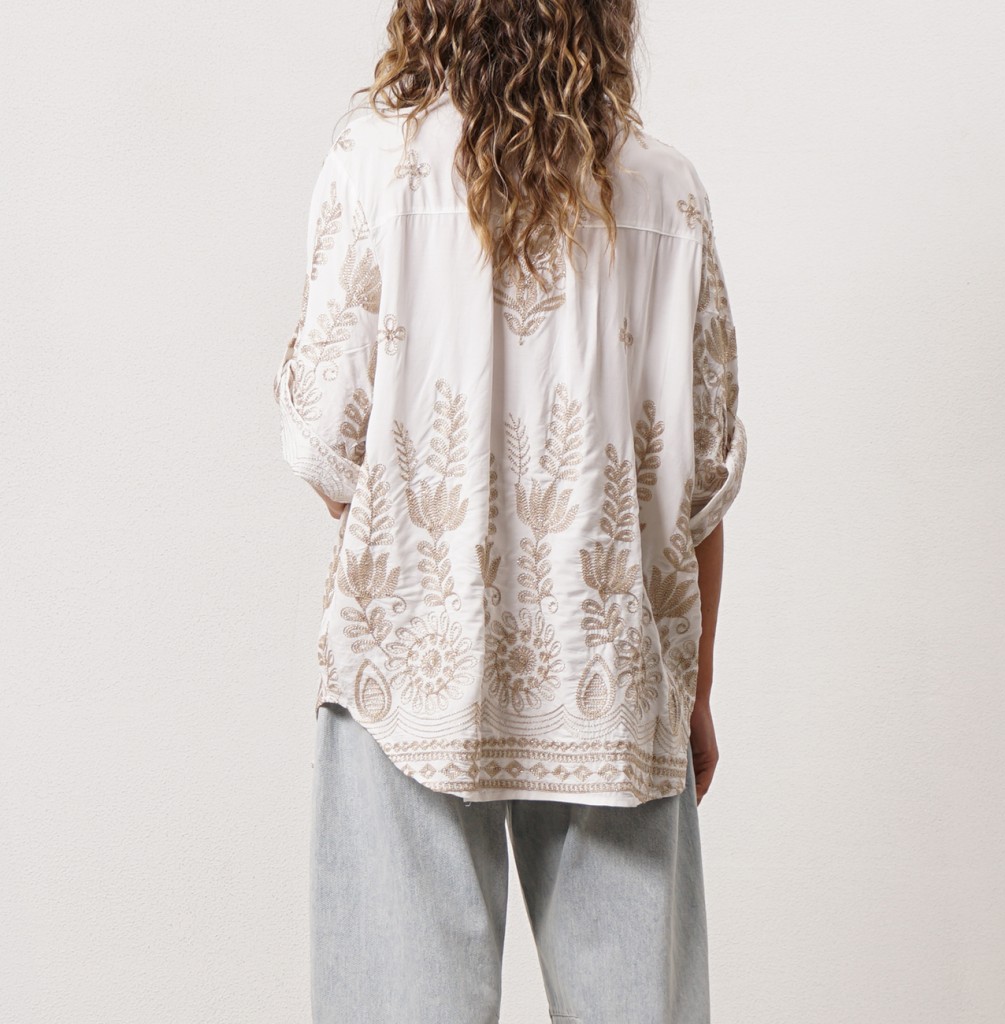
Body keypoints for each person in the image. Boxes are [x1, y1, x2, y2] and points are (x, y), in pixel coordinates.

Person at [273, 2, 748, 1020]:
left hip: (408, 672)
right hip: (611, 677)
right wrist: (696, 690)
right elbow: (699, 483)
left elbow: (326, 447)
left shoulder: (372, 167)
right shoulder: (665, 192)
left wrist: (437, 534)